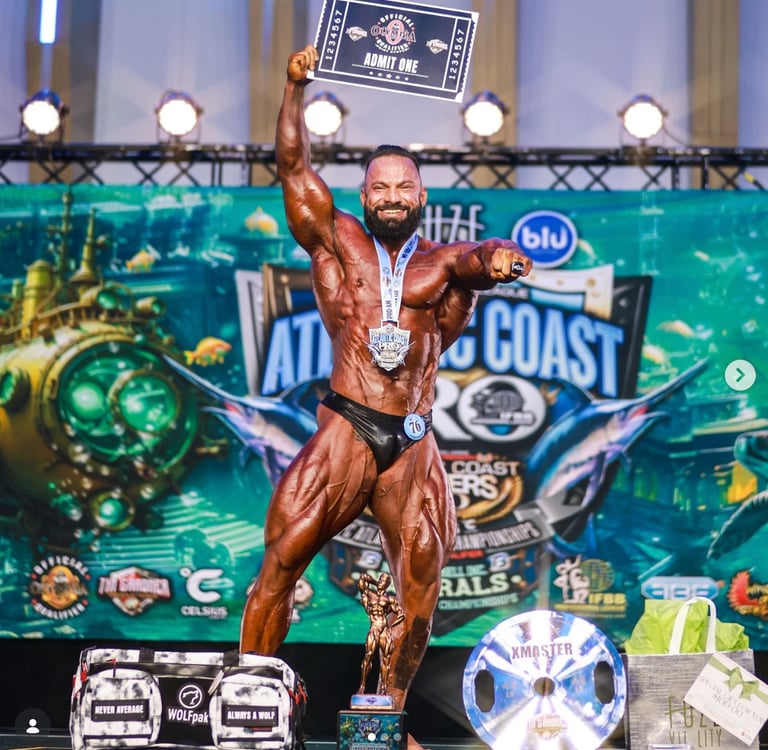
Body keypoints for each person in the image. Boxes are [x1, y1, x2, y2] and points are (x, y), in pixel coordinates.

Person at [239, 44, 532, 740]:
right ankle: (248, 707)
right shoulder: (335, 242)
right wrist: (293, 88)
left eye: (405, 187)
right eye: (381, 187)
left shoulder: (442, 265)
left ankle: (387, 722)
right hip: (347, 424)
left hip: (412, 440)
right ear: (365, 195)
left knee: (423, 582)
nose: (393, 196)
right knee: (281, 561)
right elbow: (293, 168)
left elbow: (478, 256)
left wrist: (498, 257)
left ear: (421, 197)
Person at [357, 572, 404, 695]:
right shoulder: (370, 595)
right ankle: (362, 686)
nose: (382, 582)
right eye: (381, 579)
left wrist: (391, 627)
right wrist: (375, 582)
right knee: (368, 656)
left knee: (386, 659)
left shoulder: (389, 599)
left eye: (384, 581)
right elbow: (363, 578)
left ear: (388, 584)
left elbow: (401, 613)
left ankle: (383, 688)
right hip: (374, 628)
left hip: (384, 630)